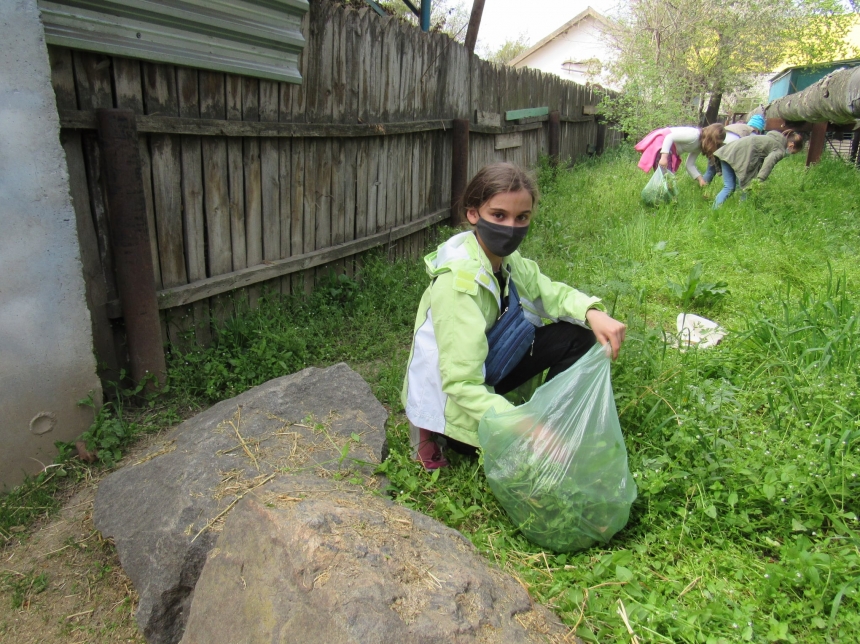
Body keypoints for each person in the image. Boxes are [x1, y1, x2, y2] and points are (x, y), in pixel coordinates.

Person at [401, 163, 627, 469]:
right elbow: (460, 384)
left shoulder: (506, 259)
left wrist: (591, 312)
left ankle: (550, 424)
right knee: (510, 453)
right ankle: (448, 435)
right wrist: (524, 427)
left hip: (488, 366)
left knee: (578, 336)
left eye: (522, 217)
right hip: (456, 405)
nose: (510, 228)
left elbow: (547, 292)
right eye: (498, 215)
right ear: (472, 214)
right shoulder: (458, 284)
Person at [712, 129, 804, 207]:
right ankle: (742, 211)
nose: (790, 154)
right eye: (793, 152)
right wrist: (760, 179)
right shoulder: (780, 149)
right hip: (740, 157)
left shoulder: (770, 139)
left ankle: (714, 210)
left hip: (727, 152)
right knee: (748, 187)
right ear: (791, 146)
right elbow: (769, 162)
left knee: (728, 187)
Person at [636, 125, 727, 187]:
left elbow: (689, 165)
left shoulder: (699, 146)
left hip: (671, 149)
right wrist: (664, 157)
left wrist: (700, 179)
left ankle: (662, 201)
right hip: (663, 143)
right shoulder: (694, 135)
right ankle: (660, 202)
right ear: (711, 139)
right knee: (666, 178)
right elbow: (669, 137)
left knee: (667, 178)